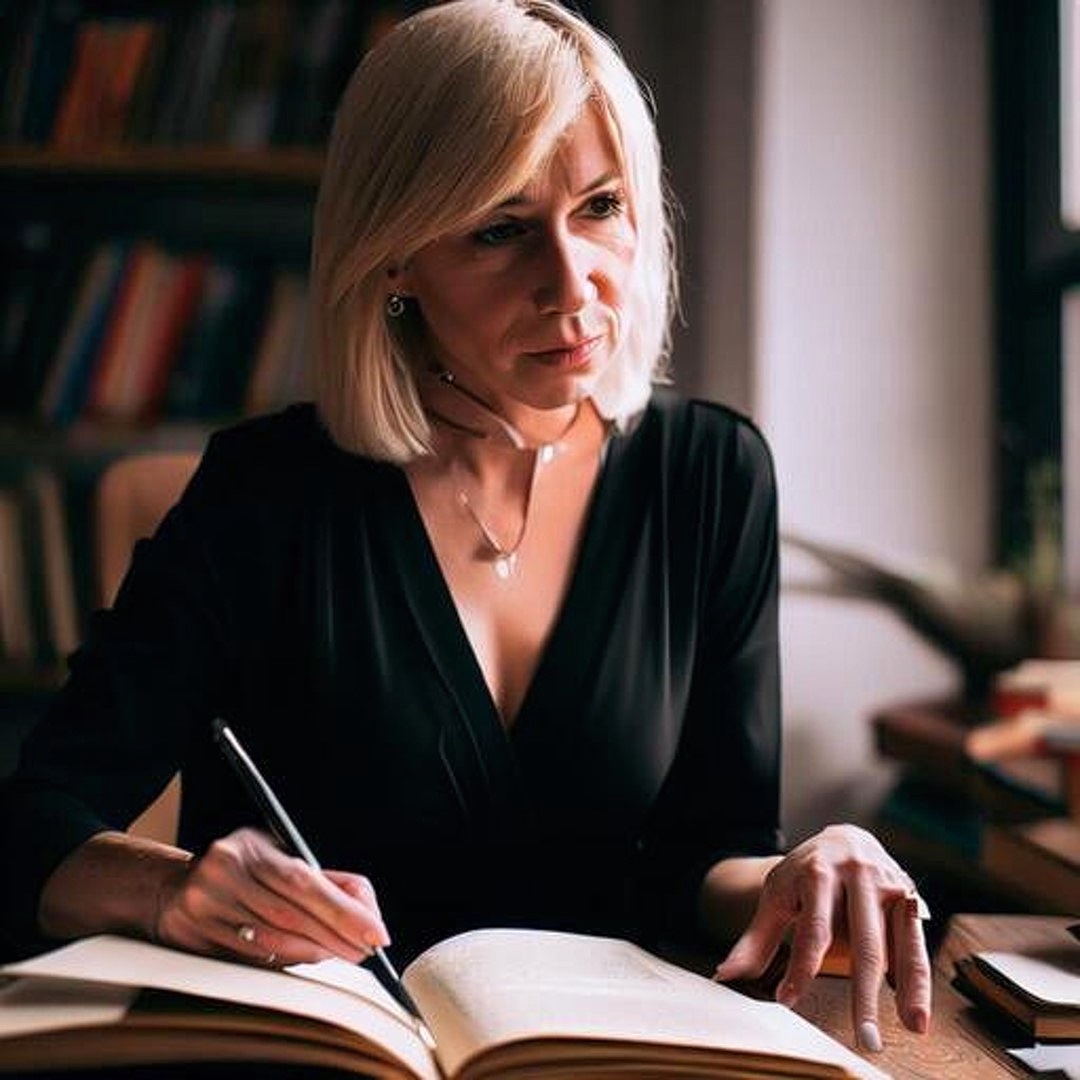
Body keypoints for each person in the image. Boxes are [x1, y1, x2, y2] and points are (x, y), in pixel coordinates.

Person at [0, 0, 931, 1055]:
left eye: (601, 206)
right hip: (323, 1057)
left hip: (596, 1062)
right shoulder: (265, 495)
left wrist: (807, 865)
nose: (571, 282)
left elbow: (705, 855)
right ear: (395, 260)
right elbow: (33, 826)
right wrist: (174, 889)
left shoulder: (712, 474)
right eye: (499, 228)